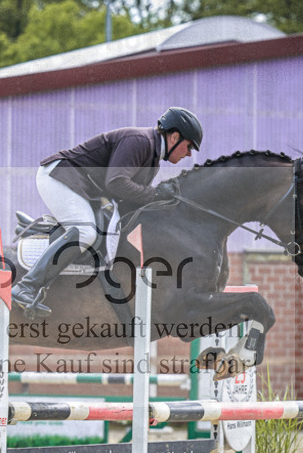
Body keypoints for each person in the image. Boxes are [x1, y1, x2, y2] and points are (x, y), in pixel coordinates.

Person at [11, 107, 203, 316]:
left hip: (81, 186)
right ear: (174, 136)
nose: (189, 154)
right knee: (85, 232)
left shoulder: (152, 158)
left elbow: (131, 202)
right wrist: (155, 194)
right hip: (59, 176)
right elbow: (116, 183)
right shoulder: (140, 141)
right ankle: (26, 286)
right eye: (189, 146)